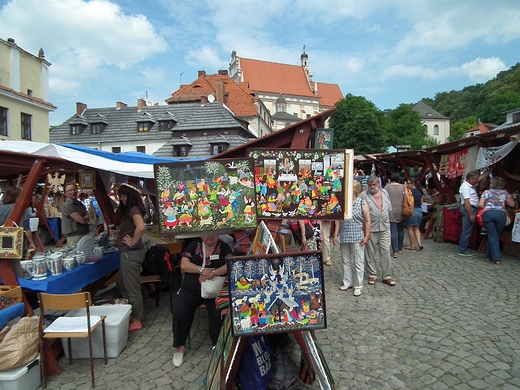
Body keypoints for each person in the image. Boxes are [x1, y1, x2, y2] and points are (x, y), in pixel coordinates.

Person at [172, 234, 231, 367]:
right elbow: (184, 265)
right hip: (191, 289)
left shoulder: (224, 247)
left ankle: (218, 345)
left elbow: (229, 266)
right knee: (180, 310)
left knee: (218, 311)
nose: (210, 237)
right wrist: (202, 270)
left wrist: (213, 273)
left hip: (213, 290)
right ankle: (179, 347)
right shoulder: (193, 245)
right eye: (206, 233)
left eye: (212, 234)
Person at [115, 183, 146, 332]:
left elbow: (140, 227)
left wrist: (133, 242)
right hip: (128, 252)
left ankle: (137, 319)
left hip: (131, 253)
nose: (121, 198)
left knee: (131, 287)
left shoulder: (133, 209)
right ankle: (132, 313)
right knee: (122, 284)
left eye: (123, 195)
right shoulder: (133, 209)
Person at [333, 180, 370, 296]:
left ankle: (358, 285)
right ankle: (347, 281)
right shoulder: (342, 203)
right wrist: (335, 235)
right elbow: (338, 221)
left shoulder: (361, 203)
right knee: (346, 261)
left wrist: (367, 235)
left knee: (358, 261)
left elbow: (368, 220)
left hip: (357, 235)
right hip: (344, 235)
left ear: (354, 191)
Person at [359, 175, 395, 286]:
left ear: (378, 184)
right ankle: (372, 275)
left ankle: (387, 276)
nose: (372, 187)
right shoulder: (363, 195)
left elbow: (388, 208)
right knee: (370, 253)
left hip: (384, 227)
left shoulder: (385, 193)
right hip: (371, 228)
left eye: (374, 185)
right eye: (370, 185)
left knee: (385, 252)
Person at [478, 177, 514, 264]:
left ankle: (492, 257)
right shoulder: (505, 192)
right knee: (495, 235)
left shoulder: (486, 192)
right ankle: (493, 257)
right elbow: (512, 204)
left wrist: (488, 207)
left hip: (488, 214)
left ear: (492, 184)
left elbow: (480, 204)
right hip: (500, 215)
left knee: (492, 235)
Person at [458, 168, 492, 256]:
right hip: (469, 209)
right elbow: (467, 202)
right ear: (471, 178)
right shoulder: (465, 187)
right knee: (467, 230)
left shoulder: (470, 185)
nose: (477, 181)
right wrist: (471, 214)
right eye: (475, 179)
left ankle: (463, 248)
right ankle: (462, 249)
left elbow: (480, 177)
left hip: (471, 208)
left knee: (468, 229)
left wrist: (490, 170)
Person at [0, 186, 36, 257]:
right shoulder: (23, 209)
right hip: (18, 244)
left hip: (2, 243)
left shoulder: (0, 208)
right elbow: (26, 229)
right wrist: (31, 242)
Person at [384, 172, 406, 258]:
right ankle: (400, 248)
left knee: (392, 231)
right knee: (401, 230)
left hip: (391, 210)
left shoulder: (387, 187)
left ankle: (395, 251)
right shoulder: (403, 187)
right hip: (402, 209)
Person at [404, 180, 424, 250]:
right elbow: (421, 202)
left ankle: (412, 245)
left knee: (410, 228)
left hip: (412, 210)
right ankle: (419, 243)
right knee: (417, 228)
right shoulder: (419, 191)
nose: (407, 184)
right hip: (419, 210)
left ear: (413, 184)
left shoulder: (409, 192)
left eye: (408, 183)